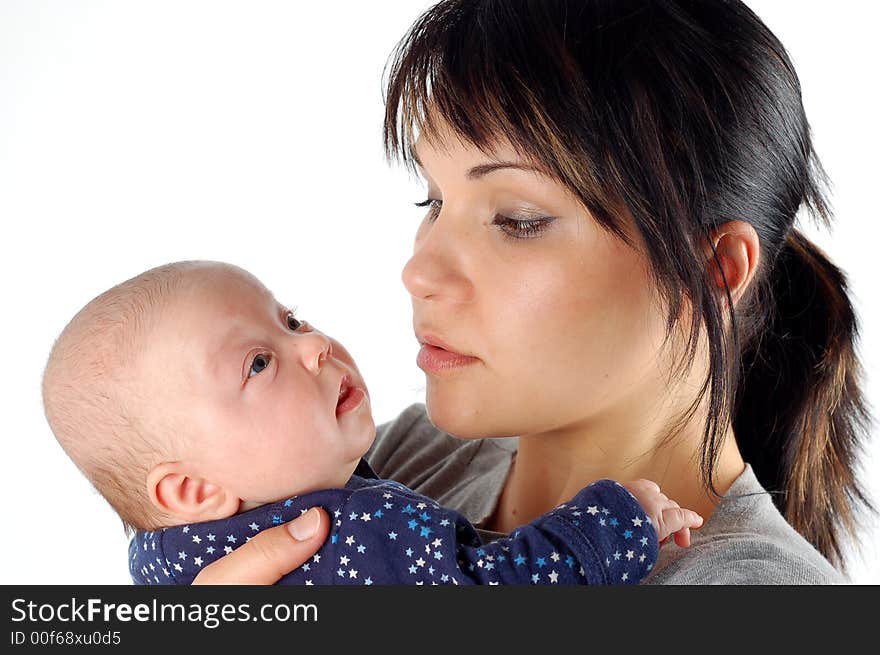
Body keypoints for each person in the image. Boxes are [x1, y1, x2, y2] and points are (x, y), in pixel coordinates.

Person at [185, 0, 873, 586]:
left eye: (518, 220)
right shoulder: (391, 464)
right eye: (433, 199)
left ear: (714, 269)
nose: (419, 271)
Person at [42, 260, 703, 585]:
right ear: (191, 490)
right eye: (259, 363)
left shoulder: (172, 564)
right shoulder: (355, 530)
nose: (314, 344)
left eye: (292, 318)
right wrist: (618, 521)